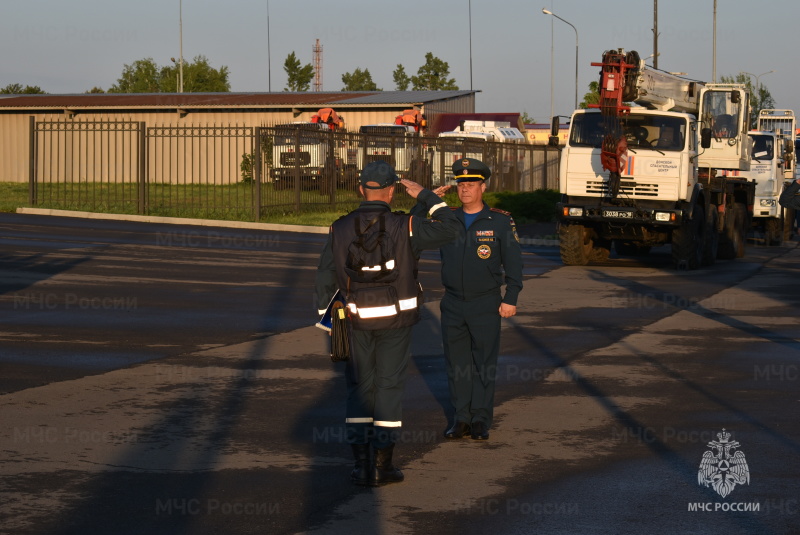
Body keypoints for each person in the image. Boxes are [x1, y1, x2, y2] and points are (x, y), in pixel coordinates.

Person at [315, 160, 459, 486]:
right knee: (388, 387)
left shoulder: (338, 227)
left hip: (354, 321)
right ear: (393, 191)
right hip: (396, 321)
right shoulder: (405, 225)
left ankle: (362, 465)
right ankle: (385, 465)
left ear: (360, 189)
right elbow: (451, 228)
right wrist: (427, 197)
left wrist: (329, 323)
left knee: (359, 389)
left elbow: (325, 276)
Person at [411, 157, 523, 441]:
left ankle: (481, 419)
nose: (465, 189)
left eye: (471, 184)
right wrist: (425, 200)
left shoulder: (499, 221)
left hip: (485, 303)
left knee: (484, 363)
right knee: (457, 364)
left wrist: (510, 297)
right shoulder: (447, 219)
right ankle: (461, 418)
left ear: (482, 187)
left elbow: (514, 263)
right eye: (461, 184)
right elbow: (410, 229)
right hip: (453, 303)